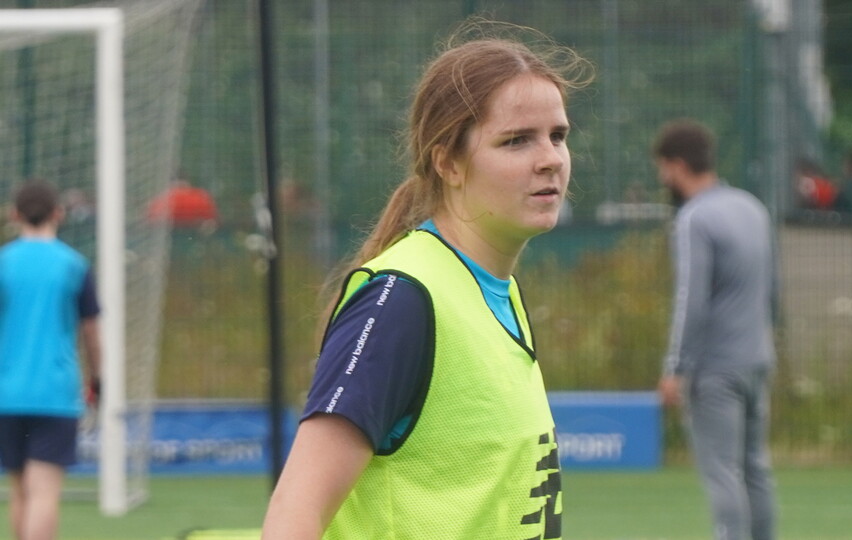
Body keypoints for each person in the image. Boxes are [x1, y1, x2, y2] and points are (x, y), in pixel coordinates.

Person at [261, 20, 592, 540]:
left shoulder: (494, 290)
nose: (550, 159)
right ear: (448, 163)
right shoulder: (402, 298)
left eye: (558, 136)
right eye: (516, 141)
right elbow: (292, 517)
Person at [653, 119, 778, 540]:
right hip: (757, 358)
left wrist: (675, 367)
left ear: (676, 165)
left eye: (663, 168)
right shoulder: (752, 207)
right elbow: (772, 288)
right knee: (755, 468)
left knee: (722, 471)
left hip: (716, 368)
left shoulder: (695, 218)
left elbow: (691, 300)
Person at [0, 179, 102, 540]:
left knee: (20, 491)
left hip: (7, 394)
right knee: (43, 493)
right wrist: (97, 379)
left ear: (14, 215)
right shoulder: (73, 265)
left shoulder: (3, 263)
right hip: (55, 394)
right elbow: (91, 332)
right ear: (58, 213)